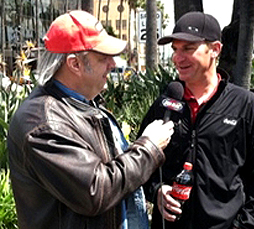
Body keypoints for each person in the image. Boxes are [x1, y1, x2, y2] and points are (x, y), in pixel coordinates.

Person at [7, 10, 175, 229]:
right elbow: (96, 190)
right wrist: (149, 147)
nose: (113, 64)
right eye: (103, 58)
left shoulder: (82, 104)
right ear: (74, 64)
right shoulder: (42, 124)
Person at [138, 11, 254, 229]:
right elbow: (141, 162)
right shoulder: (165, 105)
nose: (177, 57)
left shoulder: (246, 107)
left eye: (188, 49)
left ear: (215, 49)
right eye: (175, 49)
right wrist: (156, 190)